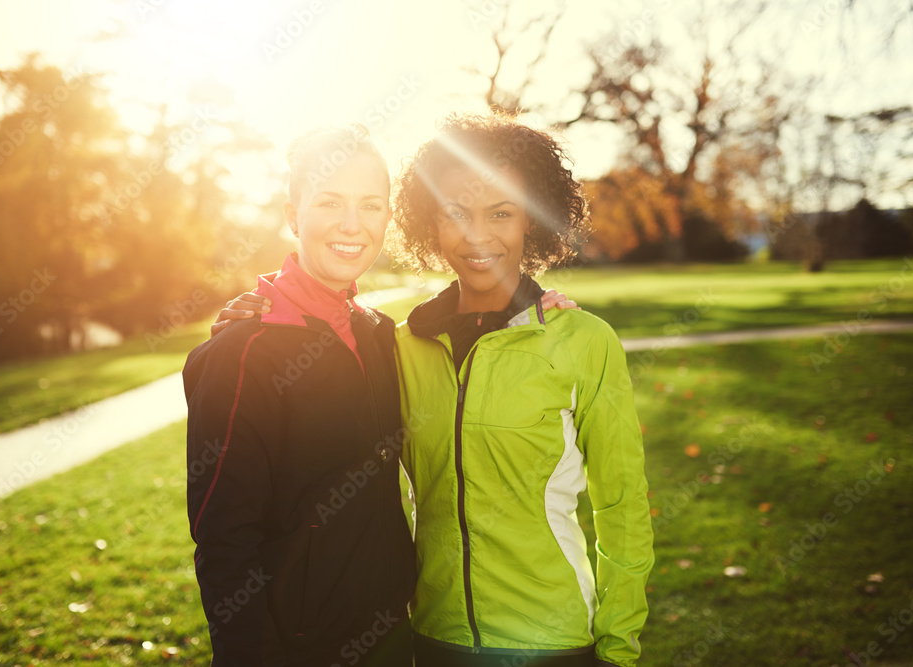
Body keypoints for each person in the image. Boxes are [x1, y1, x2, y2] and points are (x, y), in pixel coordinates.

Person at [388, 113, 654, 667]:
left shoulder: (583, 341)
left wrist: (619, 646)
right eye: (455, 213)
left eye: (501, 214)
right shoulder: (400, 350)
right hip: (435, 638)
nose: (477, 236)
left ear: (530, 221)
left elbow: (622, 507)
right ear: (430, 224)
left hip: (551, 642)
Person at [182, 125, 416, 666]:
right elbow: (224, 541)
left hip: (392, 632)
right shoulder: (243, 354)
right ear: (293, 216)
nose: (351, 224)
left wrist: (537, 302)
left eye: (371, 205)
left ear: (387, 218)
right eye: (329, 202)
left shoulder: (380, 334)